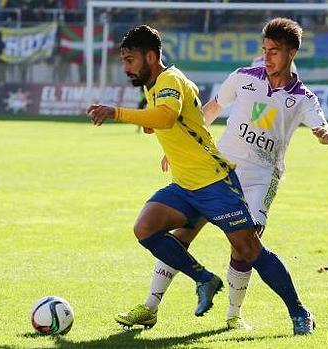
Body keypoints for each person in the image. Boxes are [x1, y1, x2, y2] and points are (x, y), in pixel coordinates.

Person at [87, 24, 314, 335]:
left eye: (130, 60)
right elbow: (176, 119)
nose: (126, 68)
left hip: (214, 182)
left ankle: (299, 311)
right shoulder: (153, 84)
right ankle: (202, 280)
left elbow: (167, 116)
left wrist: (117, 112)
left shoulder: (169, 80)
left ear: (150, 57)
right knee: (146, 228)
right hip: (185, 183)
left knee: (248, 249)